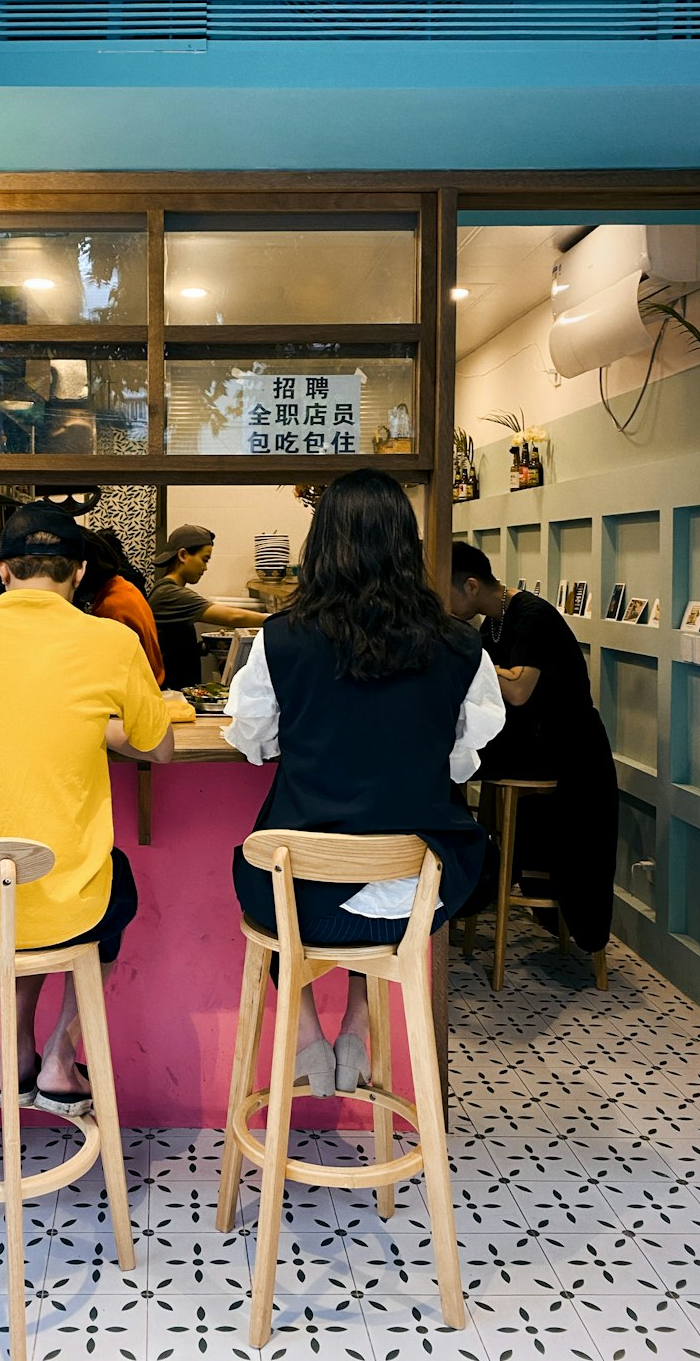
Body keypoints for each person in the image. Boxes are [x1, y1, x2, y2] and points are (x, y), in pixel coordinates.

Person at [0, 500, 174, 1115]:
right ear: (79, 571)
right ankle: (61, 1055)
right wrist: (102, 727)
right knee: (98, 886)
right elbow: (162, 749)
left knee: (25, 881)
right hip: (52, 900)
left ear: (0, 567)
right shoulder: (110, 640)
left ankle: (13, 1052)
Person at [223, 470, 505, 1097]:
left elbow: (254, 742)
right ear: (409, 546)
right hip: (415, 901)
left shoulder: (281, 639)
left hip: (301, 900)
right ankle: (357, 1021)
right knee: (376, 867)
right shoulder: (462, 646)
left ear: (320, 546)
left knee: (276, 872)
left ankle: (304, 1032)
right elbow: (463, 761)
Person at [449, 542, 618, 954]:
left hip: (563, 745)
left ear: (471, 586)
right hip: (530, 738)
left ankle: (469, 875)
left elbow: (519, 690)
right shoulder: (493, 622)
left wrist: (469, 660)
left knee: (441, 765)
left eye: (447, 593)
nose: (444, 605)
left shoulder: (532, 615)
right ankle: (467, 874)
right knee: (441, 760)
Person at [147, 523, 268, 690]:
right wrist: (276, 619)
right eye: (204, 559)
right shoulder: (170, 594)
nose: (205, 567)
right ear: (183, 555)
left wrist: (209, 645)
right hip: (169, 692)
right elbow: (234, 617)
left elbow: (172, 644)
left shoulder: (166, 590)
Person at [76, 527, 166, 685]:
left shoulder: (110, 607)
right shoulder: (125, 587)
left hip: (140, 689)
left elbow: (108, 671)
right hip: (152, 682)